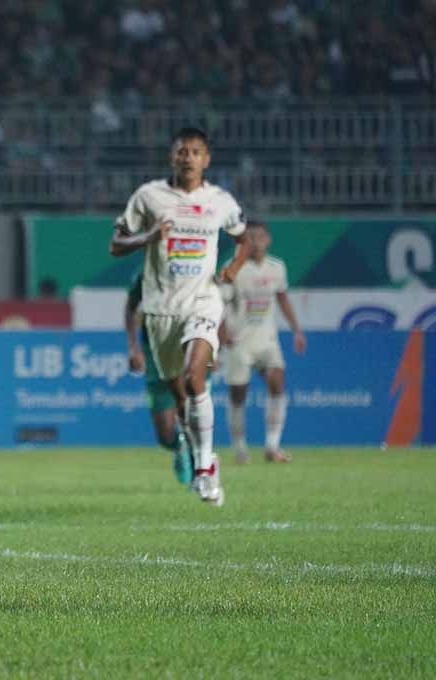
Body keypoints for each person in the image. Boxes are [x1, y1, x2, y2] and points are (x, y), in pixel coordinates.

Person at [109, 127, 250, 506]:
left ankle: (204, 468)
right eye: (182, 151)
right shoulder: (149, 196)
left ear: (207, 159)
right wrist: (148, 237)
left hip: (203, 302)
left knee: (193, 377)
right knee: (182, 399)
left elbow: (243, 238)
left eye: (195, 151)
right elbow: (116, 244)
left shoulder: (220, 201)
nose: (188, 157)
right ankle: (204, 456)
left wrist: (234, 268)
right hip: (160, 312)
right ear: (172, 157)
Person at [219, 220, 306, 463]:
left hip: (267, 339)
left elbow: (282, 298)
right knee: (238, 395)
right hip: (239, 341)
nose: (255, 242)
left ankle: (272, 446)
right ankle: (240, 449)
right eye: (250, 237)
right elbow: (220, 304)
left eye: (260, 237)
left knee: (277, 382)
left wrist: (297, 330)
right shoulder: (232, 268)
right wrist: (221, 335)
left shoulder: (276, 267)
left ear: (268, 239)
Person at [123, 264, 194, 484]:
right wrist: (133, 347)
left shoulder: (194, 269)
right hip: (154, 352)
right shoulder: (145, 274)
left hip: (186, 347)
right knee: (164, 435)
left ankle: (202, 471)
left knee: (190, 407)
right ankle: (179, 446)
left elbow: (212, 307)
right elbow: (130, 309)